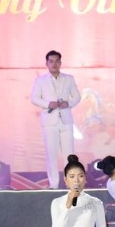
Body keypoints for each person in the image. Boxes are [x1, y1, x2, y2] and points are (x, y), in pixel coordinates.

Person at [30, 50, 81, 189]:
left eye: (57, 61)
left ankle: (71, 183)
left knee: (69, 154)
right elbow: (34, 98)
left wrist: (68, 103)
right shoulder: (40, 80)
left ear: (61, 63)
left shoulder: (69, 78)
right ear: (46, 63)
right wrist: (48, 104)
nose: (54, 64)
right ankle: (53, 185)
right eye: (51, 61)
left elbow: (77, 96)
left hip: (66, 121)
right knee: (51, 154)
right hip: (49, 122)